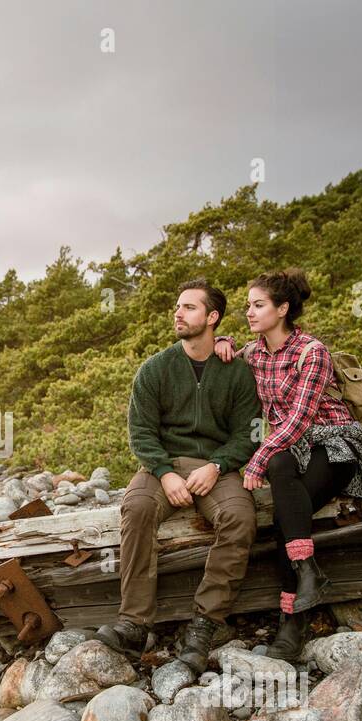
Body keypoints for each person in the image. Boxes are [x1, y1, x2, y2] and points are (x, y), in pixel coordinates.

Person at [97, 279, 261, 673]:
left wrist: (218, 465)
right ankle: (135, 623)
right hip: (163, 465)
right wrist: (164, 473)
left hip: (216, 468)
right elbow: (141, 431)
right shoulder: (156, 368)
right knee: (135, 509)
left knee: (240, 518)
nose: (178, 313)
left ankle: (205, 624)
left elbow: (249, 432)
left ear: (212, 317)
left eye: (189, 307)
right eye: (178, 306)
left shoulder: (237, 372)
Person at [213, 268, 362, 662]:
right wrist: (223, 342)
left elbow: (300, 419)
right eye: (248, 305)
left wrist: (257, 461)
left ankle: (293, 619)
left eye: (258, 305)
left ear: (282, 308)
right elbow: (230, 348)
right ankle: (304, 579)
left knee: (284, 504)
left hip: (334, 446)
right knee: (284, 480)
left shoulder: (310, 352)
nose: (249, 311)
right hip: (291, 452)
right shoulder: (254, 352)